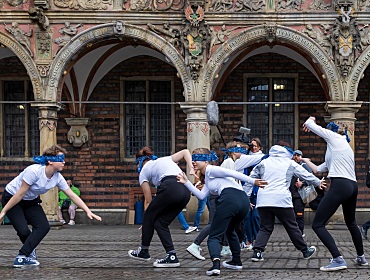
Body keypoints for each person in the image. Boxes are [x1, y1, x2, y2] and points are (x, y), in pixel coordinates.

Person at [0, 145, 102, 268]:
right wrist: (3, 211)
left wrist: (88, 211)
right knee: (23, 230)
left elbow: (72, 196)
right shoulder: (34, 171)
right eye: (61, 159)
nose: (64, 162)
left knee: (43, 227)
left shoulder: (58, 178)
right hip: (12, 198)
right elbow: (20, 194)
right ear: (50, 161)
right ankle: (27, 253)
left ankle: (23, 255)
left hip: (31, 201)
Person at [177, 147, 267, 276]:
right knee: (230, 231)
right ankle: (236, 262)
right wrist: (186, 182)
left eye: (198, 158)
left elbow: (232, 173)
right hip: (242, 201)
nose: (194, 162)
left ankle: (215, 266)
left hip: (231, 199)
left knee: (214, 235)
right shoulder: (208, 178)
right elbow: (202, 196)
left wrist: (253, 181)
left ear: (207, 161)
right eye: (193, 159)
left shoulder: (211, 169)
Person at [302, 117, 368, 271]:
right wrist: (305, 160)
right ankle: (361, 257)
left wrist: (311, 119)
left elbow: (312, 125)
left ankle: (338, 259)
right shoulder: (340, 148)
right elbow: (319, 170)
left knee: (318, 224)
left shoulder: (334, 137)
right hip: (352, 186)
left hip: (340, 185)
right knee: (351, 223)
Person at [247, 141, 323, 263]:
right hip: (281, 200)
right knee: (292, 226)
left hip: (264, 200)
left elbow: (250, 179)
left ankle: (257, 252)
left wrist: (246, 196)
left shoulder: (264, 162)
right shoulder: (289, 163)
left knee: (265, 227)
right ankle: (305, 250)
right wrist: (318, 182)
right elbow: (305, 175)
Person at [127, 147, 195, 268]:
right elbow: (185, 152)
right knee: (160, 223)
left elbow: (148, 200)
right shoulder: (165, 159)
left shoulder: (143, 172)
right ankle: (172, 256)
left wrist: (146, 222)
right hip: (185, 191)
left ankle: (144, 251)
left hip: (170, 187)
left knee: (149, 215)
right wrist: (191, 168)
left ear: (139, 162)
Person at [289, 149, 314, 236]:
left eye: (298, 155)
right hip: (290, 194)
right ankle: (295, 233)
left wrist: (302, 183)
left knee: (299, 214)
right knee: (292, 215)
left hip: (299, 195)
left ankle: (300, 233)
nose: (296, 157)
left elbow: (311, 178)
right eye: (294, 155)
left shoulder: (303, 166)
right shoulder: (290, 166)